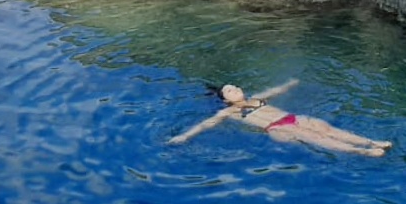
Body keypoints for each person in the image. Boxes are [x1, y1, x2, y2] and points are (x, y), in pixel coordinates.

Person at [167, 79, 393, 157]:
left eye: (235, 87)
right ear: (225, 100)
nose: (235, 89)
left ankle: (370, 141)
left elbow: (277, 90)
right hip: (278, 129)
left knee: (327, 129)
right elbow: (206, 124)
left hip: (292, 118)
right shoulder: (229, 112)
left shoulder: (258, 98)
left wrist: (292, 82)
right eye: (230, 91)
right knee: (318, 139)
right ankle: (362, 152)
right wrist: (184, 136)